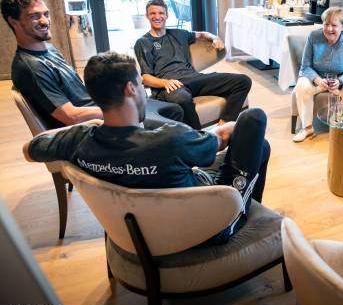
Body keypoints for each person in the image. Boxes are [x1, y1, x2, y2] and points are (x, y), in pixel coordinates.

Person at [23, 52, 270, 244]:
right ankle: (241, 214)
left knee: (258, 146)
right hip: (208, 227)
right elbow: (222, 136)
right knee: (255, 120)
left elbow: (28, 149)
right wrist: (231, 125)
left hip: (140, 232)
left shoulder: (76, 141)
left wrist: (91, 124)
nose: (143, 89)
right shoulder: (172, 140)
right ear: (131, 89)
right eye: (141, 84)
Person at [2, 0, 184, 129]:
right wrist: (121, 107)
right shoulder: (30, 68)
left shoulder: (48, 50)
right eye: (34, 16)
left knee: (174, 110)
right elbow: (71, 116)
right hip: (99, 124)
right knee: (176, 128)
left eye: (46, 14)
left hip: (102, 107)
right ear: (14, 21)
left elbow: (78, 91)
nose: (44, 21)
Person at [134, 0, 251, 130]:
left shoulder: (179, 33)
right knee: (182, 99)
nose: (157, 17)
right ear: (147, 16)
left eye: (161, 13)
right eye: (153, 13)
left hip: (194, 78)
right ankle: (198, 139)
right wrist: (166, 83)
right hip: (171, 85)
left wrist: (215, 38)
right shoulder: (143, 42)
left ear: (167, 15)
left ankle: (223, 126)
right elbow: (145, 78)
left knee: (243, 81)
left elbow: (201, 34)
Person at [293, 7, 343, 142]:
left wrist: (340, 81)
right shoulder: (313, 36)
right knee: (302, 85)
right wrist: (318, 80)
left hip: (341, 79)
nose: (329, 29)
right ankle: (307, 128)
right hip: (318, 78)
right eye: (326, 24)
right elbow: (305, 67)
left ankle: (341, 127)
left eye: (334, 25)